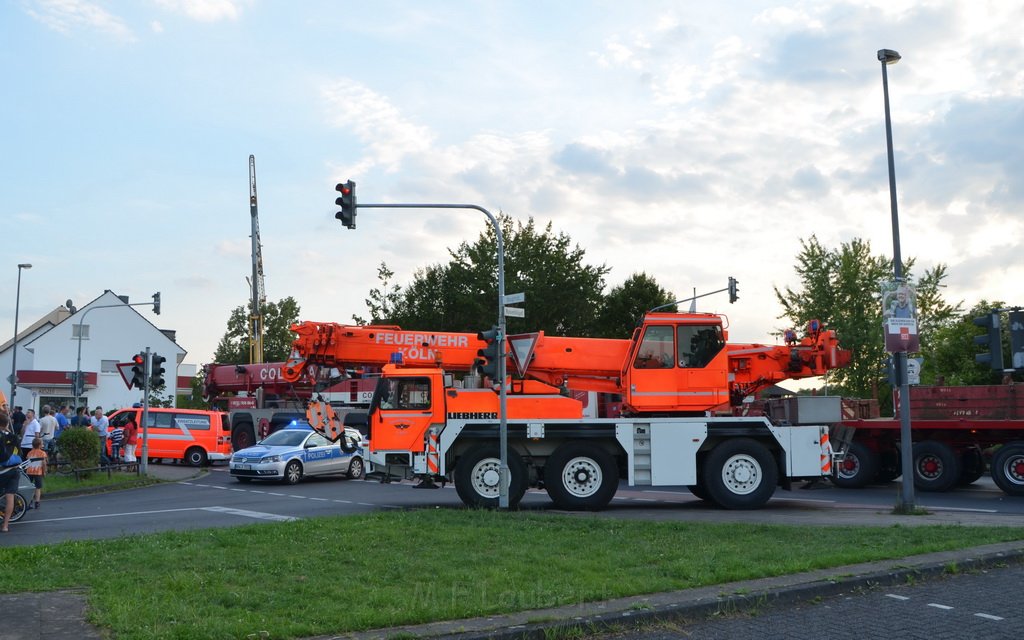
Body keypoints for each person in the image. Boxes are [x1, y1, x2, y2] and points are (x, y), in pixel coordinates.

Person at [1, 413, 21, 533]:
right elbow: (19, 452)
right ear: (7, 424)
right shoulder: (13, 437)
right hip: (13, 470)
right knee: (10, 498)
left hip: (1, 471)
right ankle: (5, 526)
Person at [25, 437, 46, 510]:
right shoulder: (42, 453)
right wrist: (44, 471)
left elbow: (27, 461)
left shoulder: (29, 453)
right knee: (38, 488)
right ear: (40, 445)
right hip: (38, 472)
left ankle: (29, 502)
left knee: (30, 488)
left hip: (29, 472)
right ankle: (37, 502)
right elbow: (43, 464)